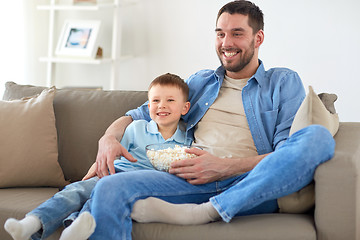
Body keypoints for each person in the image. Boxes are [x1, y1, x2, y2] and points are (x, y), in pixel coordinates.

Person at [86, 1, 336, 239]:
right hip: (192, 179)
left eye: (237, 33)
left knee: (319, 137)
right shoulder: (200, 82)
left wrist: (226, 167)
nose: (226, 43)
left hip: (250, 183)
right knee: (109, 188)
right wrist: (108, 138)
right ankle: (207, 207)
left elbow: (285, 153)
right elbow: (138, 113)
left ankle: (208, 211)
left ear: (258, 38)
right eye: (220, 34)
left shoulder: (282, 82)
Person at [3, 73, 192, 240]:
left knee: (99, 199)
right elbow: (112, 156)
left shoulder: (188, 140)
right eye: (156, 101)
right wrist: (97, 169)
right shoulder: (136, 128)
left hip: (139, 186)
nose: (162, 106)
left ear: (185, 108)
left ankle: (71, 229)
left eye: (170, 101)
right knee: (75, 191)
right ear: (148, 105)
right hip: (114, 173)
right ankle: (31, 222)